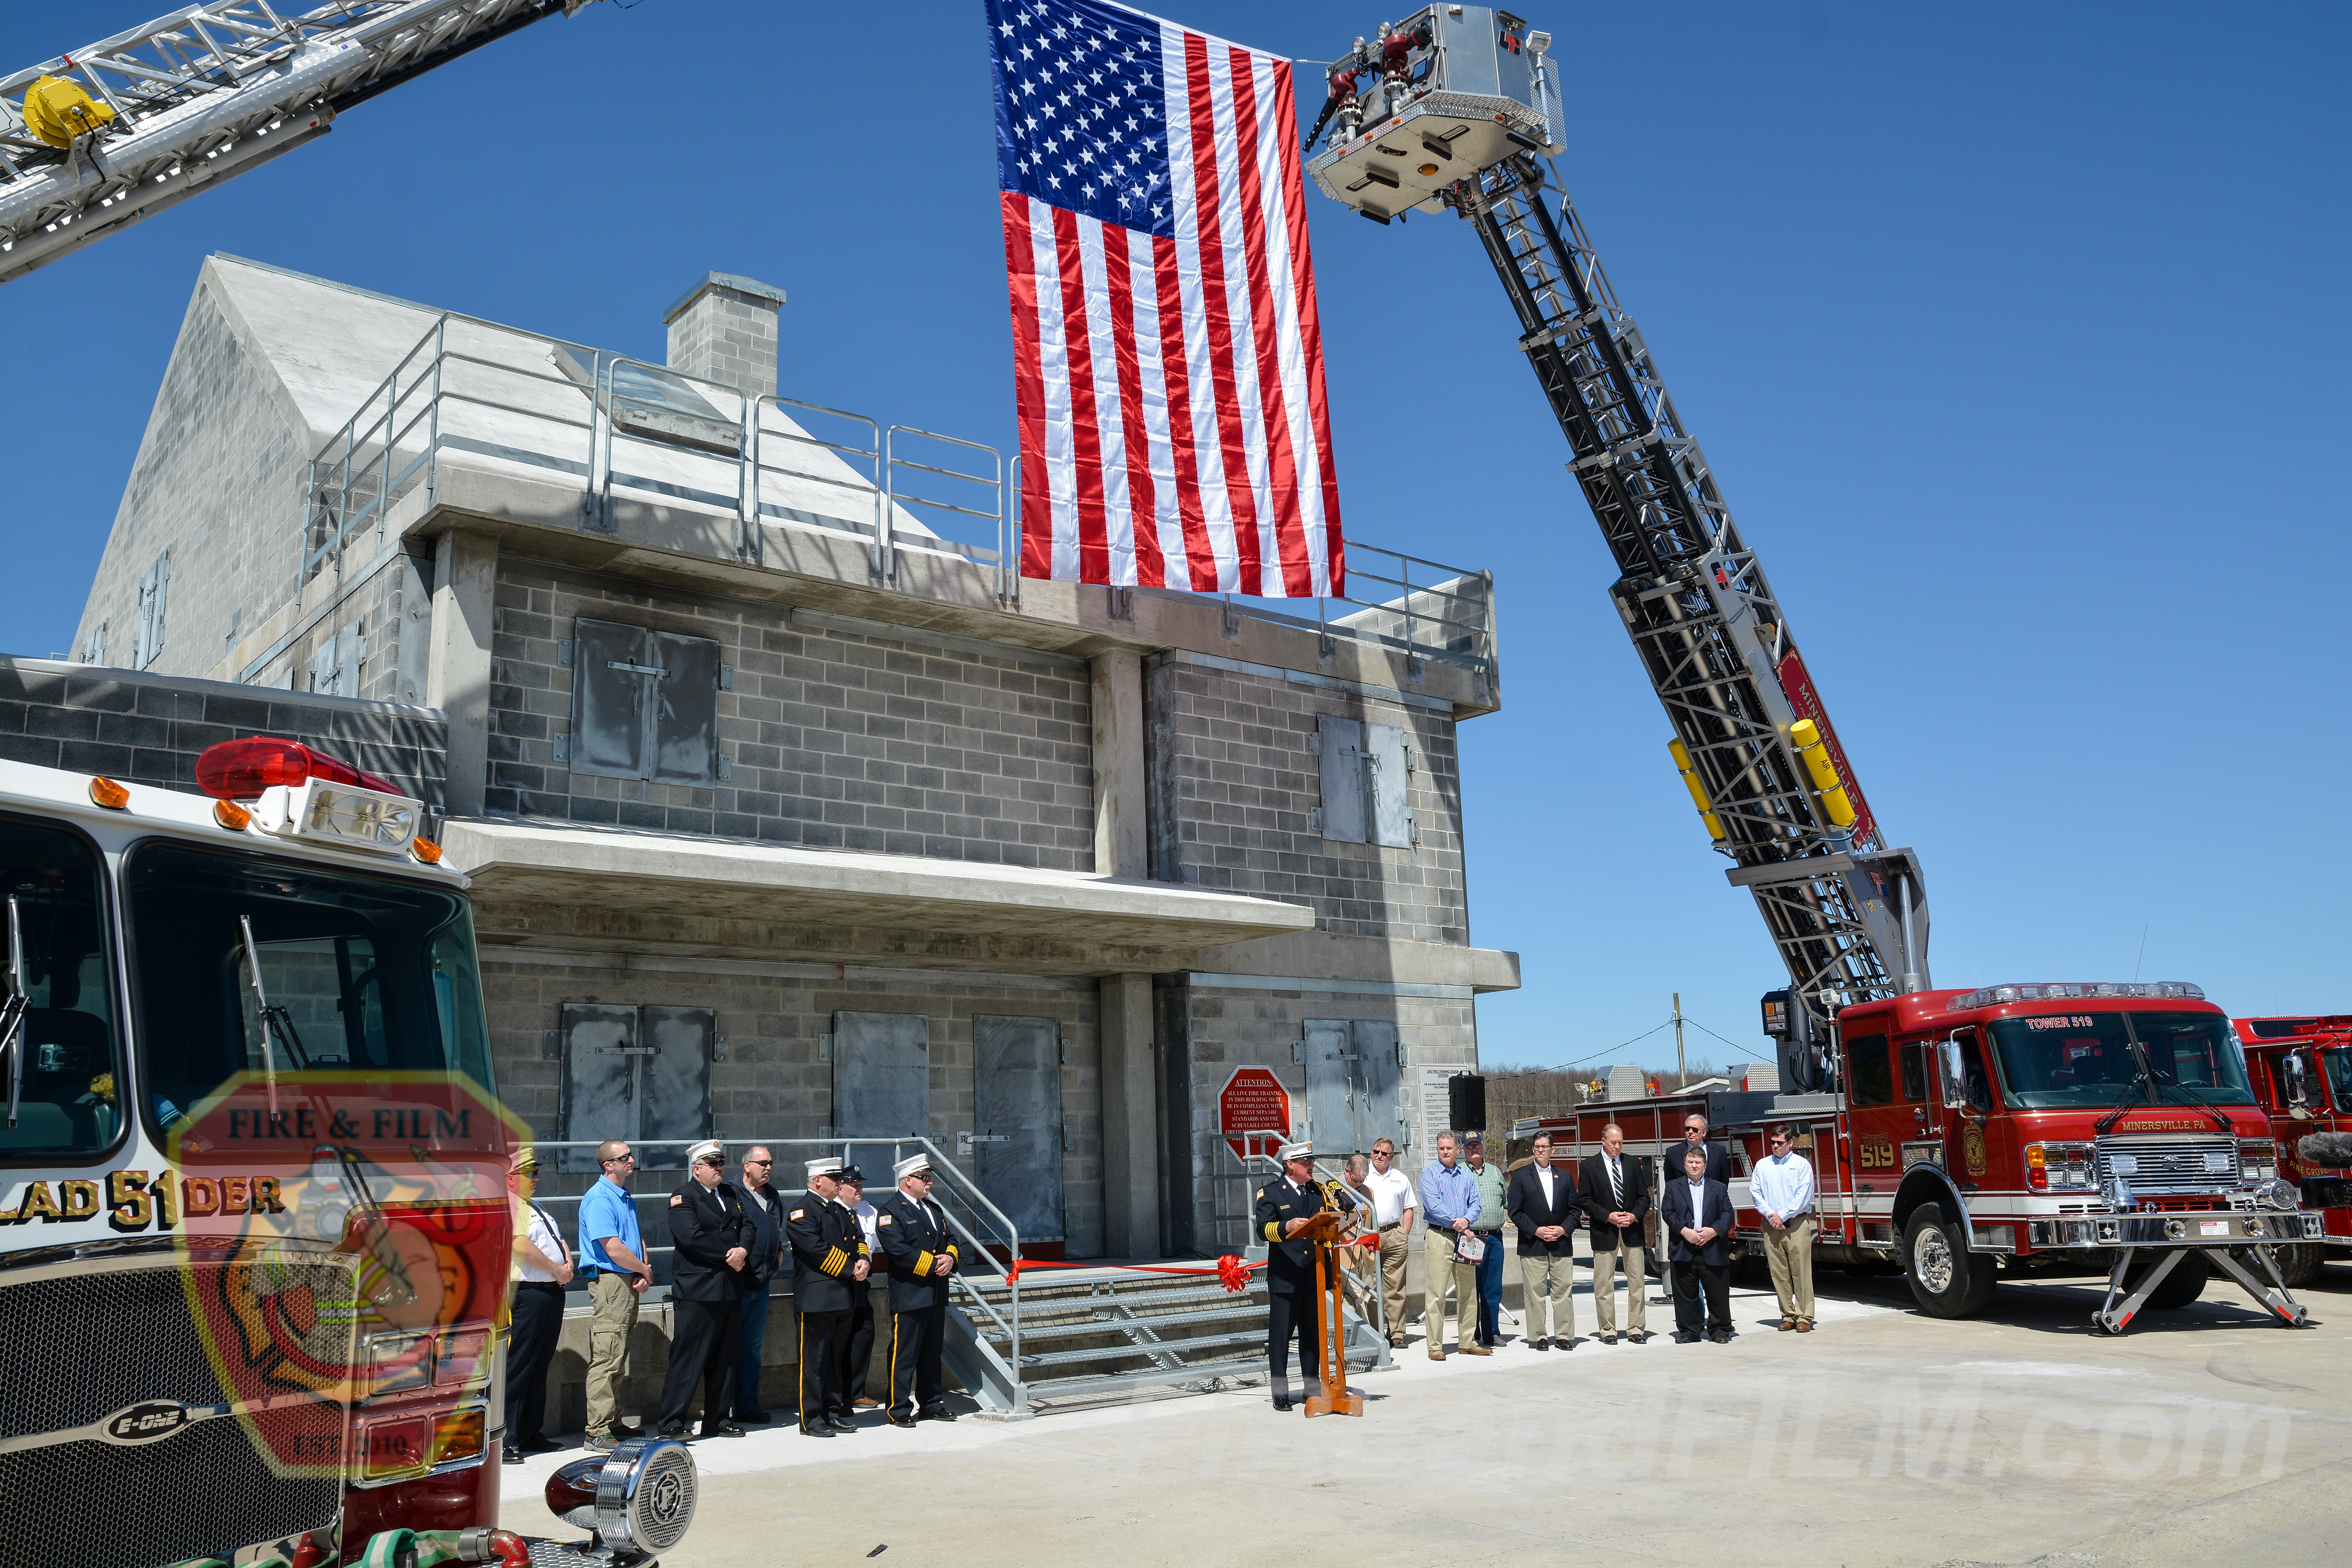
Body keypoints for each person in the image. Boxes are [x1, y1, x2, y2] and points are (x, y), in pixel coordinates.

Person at [658, 1139, 753, 1439]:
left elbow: (749, 1225)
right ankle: (672, 1422)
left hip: (728, 1286)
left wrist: (744, 1250)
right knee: (689, 1358)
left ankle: (718, 1419)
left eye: (721, 1164)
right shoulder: (683, 1197)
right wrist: (732, 1255)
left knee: (725, 1358)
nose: (719, 1169)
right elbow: (692, 1238)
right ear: (696, 1169)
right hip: (699, 1288)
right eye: (713, 1165)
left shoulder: (730, 1193)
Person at [1254, 1139, 1358, 1410]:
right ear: (1290, 1165)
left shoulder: (1319, 1191)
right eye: (1305, 1162)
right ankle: (1280, 1393)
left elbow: (1334, 1217)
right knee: (1280, 1337)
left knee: (1312, 1335)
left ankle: (1312, 1388)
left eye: (1311, 1161)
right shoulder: (1271, 1193)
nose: (1311, 1166)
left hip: (1315, 1273)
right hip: (1286, 1276)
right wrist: (1285, 1225)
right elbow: (1263, 1229)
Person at [873, 1152, 961, 1427]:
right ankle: (898, 1408)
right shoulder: (890, 1211)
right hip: (911, 1292)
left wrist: (951, 1258)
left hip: (935, 1292)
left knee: (931, 1353)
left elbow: (952, 1239)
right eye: (924, 1178)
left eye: (930, 1178)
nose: (929, 1183)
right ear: (907, 1180)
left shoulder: (934, 1209)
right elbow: (899, 1250)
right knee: (904, 1354)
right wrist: (934, 1264)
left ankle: (931, 1403)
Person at [578, 1139, 653, 1452]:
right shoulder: (599, 1198)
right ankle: (596, 1431)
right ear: (608, 1164)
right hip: (610, 1283)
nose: (631, 1160)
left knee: (619, 1356)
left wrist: (642, 1268)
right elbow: (611, 1247)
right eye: (624, 1157)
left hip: (625, 1279)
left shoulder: (623, 1196)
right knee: (607, 1358)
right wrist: (644, 1271)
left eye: (631, 1155)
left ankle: (612, 1423)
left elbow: (635, 1239)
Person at [786, 1156, 869, 1436]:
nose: (839, 1184)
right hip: (817, 1297)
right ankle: (811, 1418)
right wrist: (850, 1269)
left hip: (843, 1296)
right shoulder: (802, 1212)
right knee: (814, 1362)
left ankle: (831, 1411)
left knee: (834, 1360)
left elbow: (859, 1239)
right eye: (835, 1179)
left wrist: (864, 1261)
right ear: (818, 1181)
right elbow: (816, 1249)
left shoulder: (841, 1211)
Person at [503, 1147, 573, 1463]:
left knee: (539, 1365)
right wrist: (557, 1270)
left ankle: (531, 1432)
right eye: (529, 1173)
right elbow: (521, 1247)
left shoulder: (536, 1207)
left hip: (550, 1293)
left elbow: (557, 1240)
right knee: (518, 1367)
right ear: (510, 1179)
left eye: (536, 1172)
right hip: (528, 1293)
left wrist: (567, 1261)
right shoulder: (511, 1207)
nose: (536, 1178)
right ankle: (506, 1439)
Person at [1578, 1123, 1651, 1345]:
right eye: (1613, 1143)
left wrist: (1634, 1216)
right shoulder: (1590, 1166)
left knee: (1637, 1282)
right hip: (1605, 1231)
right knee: (1604, 1284)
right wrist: (1608, 1216)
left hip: (1632, 1232)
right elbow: (1585, 1200)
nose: (1617, 1147)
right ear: (1603, 1141)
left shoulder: (1631, 1163)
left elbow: (1644, 1197)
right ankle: (1608, 1329)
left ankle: (1636, 1328)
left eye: (1620, 1143)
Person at [1417, 1131, 1488, 1359]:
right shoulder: (1429, 1174)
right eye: (1441, 1149)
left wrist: (1467, 1220)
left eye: (1449, 1148)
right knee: (1437, 1293)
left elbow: (1476, 1202)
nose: (1445, 1152)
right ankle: (1435, 1346)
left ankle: (1467, 1341)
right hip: (1440, 1235)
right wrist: (1457, 1223)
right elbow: (1432, 1203)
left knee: (1468, 1291)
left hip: (1466, 1237)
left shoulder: (1466, 1176)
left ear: (1458, 1150)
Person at [1506, 1133, 1579, 1350]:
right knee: (1535, 1293)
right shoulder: (1520, 1176)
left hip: (1560, 1244)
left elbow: (1575, 1210)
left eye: (1545, 1147)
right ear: (1533, 1149)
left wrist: (1563, 1229)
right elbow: (1515, 1211)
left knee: (1563, 1292)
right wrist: (1536, 1231)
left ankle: (1563, 1335)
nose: (1540, 1150)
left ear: (1552, 1150)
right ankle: (1540, 1337)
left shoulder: (1564, 1176)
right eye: (1537, 1147)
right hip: (1533, 1244)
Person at [734, 1145, 789, 1422]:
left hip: (762, 1284)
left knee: (752, 1348)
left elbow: (777, 1230)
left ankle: (747, 1406)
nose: (768, 1168)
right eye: (762, 1163)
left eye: (770, 1164)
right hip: (737, 1284)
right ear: (747, 1166)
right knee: (730, 1346)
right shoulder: (732, 1193)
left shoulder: (773, 1195)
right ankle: (722, 1409)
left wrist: (779, 1255)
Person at [1661, 1144, 1735, 1343]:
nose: (1694, 1166)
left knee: (1717, 1294)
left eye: (1698, 1162)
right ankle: (1689, 1332)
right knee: (1686, 1294)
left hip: (1712, 1248)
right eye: (1690, 1162)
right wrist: (1684, 1231)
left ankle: (1719, 1330)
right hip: (1684, 1248)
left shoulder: (1718, 1188)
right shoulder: (1673, 1187)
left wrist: (1714, 1231)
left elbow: (1728, 1214)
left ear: (1705, 1165)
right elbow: (1667, 1212)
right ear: (1685, 1164)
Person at [1753, 1123, 1817, 1333]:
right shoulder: (1762, 1166)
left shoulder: (1801, 1165)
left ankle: (1804, 1316)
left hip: (1796, 1224)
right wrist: (1772, 1215)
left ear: (1791, 1143)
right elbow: (1756, 1192)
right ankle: (1788, 1315)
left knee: (1801, 1271)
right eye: (1773, 1142)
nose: (1775, 1146)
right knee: (1779, 1272)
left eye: (1780, 1142)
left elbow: (1803, 1195)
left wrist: (1783, 1215)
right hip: (1771, 1225)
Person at [1360, 1138, 1417, 1348]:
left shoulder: (1400, 1179)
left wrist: (1404, 1233)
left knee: (1395, 1288)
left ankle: (1397, 1333)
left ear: (1392, 1157)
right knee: (1372, 1287)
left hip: (1394, 1234)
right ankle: (1377, 1332)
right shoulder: (1363, 1176)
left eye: (1385, 1153)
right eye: (1376, 1151)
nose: (1379, 1156)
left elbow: (1409, 1208)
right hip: (1370, 1235)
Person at [835, 1166, 883, 1411]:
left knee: (864, 1333)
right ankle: (838, 1398)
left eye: (861, 1185)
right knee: (838, 1341)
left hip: (862, 1282)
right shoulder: (833, 1210)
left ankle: (855, 1392)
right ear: (840, 1188)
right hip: (839, 1281)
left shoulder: (868, 1211)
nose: (859, 1190)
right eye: (854, 1186)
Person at [1463, 1134, 1509, 1348]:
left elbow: (1505, 1202)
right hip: (1470, 1238)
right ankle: (1471, 1334)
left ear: (1483, 1147)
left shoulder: (1495, 1172)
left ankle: (1492, 1333)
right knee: (1471, 1289)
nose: (1474, 1149)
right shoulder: (1459, 1172)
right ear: (1463, 1149)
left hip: (1494, 1239)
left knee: (1492, 1289)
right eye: (1469, 1146)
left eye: (1477, 1145)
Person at [1677, 1109, 1733, 1183]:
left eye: (1695, 1130)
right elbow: (1670, 1183)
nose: (1690, 1132)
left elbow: (1724, 1180)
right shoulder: (1673, 1153)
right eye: (1687, 1129)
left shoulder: (1719, 1152)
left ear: (1704, 1133)